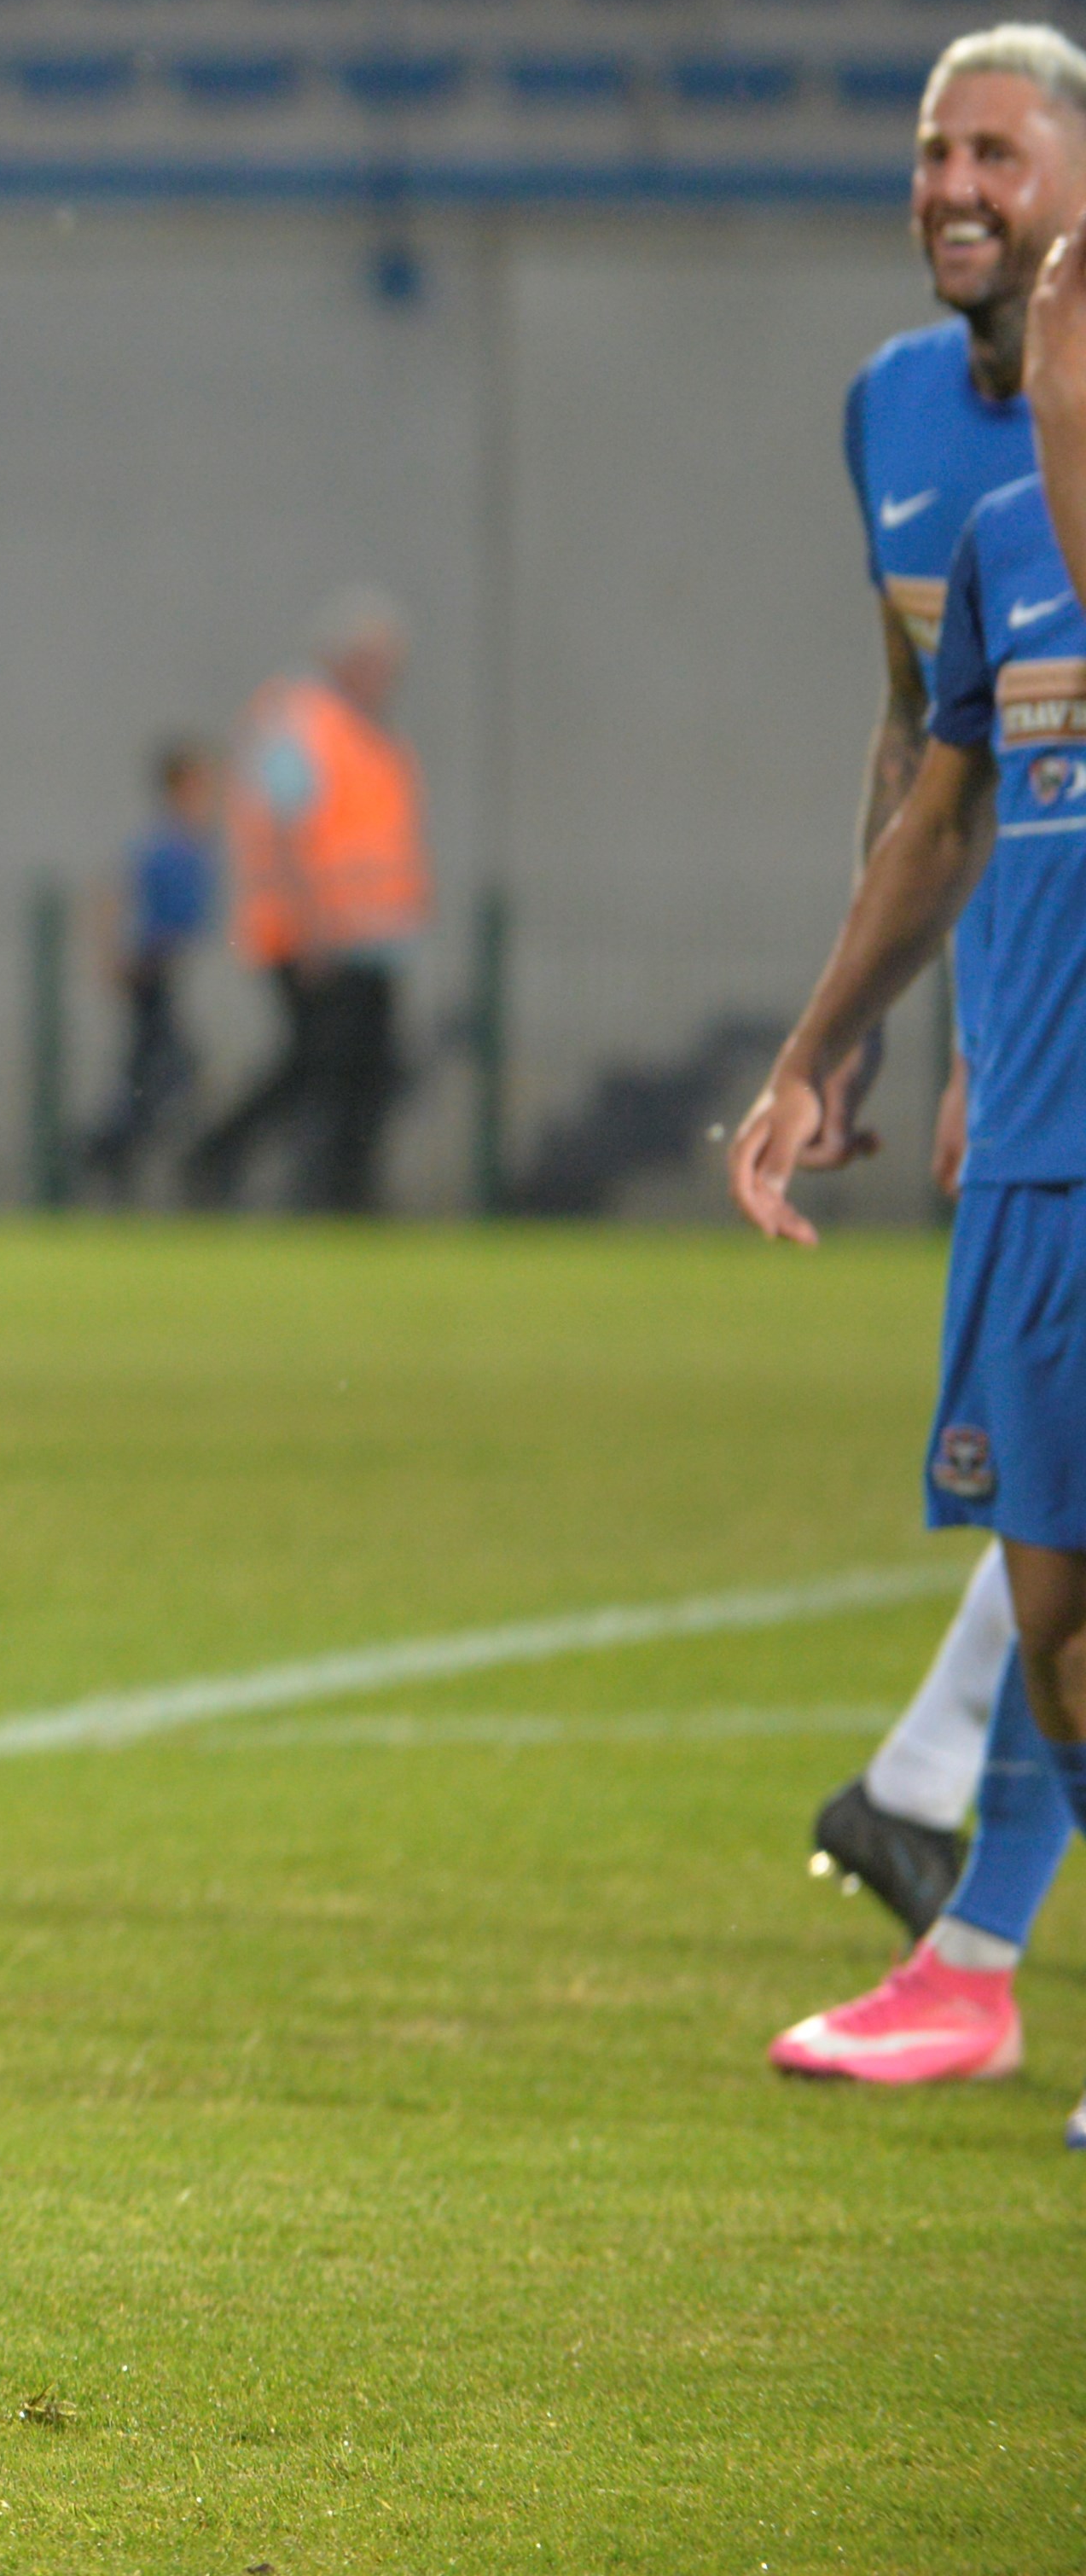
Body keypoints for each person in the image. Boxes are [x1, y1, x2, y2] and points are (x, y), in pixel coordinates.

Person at [732, 224, 1086, 2153]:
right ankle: (970, 1938)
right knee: (1055, 1628)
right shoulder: (994, 560)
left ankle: (967, 1936)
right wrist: (812, 1049)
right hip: (1031, 1151)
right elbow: (937, 815)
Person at [185, 590, 427, 1216]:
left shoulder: (367, 733)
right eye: (375, 662)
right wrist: (313, 929)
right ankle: (224, 1161)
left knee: (366, 1074)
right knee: (315, 1069)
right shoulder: (301, 725)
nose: (387, 677)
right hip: (313, 938)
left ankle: (349, 1190)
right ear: (342, 660)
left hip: (373, 940)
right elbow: (286, 833)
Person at [74, 739, 221, 1199]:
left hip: (165, 969)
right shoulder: (163, 843)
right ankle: (100, 1150)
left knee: (151, 1072)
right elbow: (110, 892)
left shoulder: (194, 842)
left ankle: (110, 1154)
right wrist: (109, 957)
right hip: (149, 969)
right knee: (165, 1072)